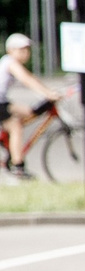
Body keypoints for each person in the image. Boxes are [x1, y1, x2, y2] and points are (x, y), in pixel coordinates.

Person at [1, 33, 52, 177]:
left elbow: (31, 78)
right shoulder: (10, 63)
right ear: (10, 50)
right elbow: (26, 80)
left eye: (27, 50)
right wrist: (47, 94)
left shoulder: (11, 63)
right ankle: (18, 166)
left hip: (2, 101)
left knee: (30, 111)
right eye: (21, 50)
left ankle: (7, 143)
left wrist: (48, 92)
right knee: (15, 126)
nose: (25, 53)